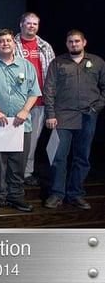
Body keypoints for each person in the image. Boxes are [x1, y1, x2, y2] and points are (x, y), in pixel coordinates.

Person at [0, 28, 41, 213]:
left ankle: (16, 197)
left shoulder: (26, 66)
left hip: (21, 124)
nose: (5, 43)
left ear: (14, 44)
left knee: (18, 163)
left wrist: (24, 111)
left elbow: (34, 92)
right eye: (1, 41)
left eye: (8, 40)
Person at [43, 30, 105, 210]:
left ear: (84, 42)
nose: (74, 44)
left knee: (82, 158)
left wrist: (96, 107)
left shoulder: (98, 62)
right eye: (70, 42)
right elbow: (49, 90)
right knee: (57, 157)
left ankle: (76, 194)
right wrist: (50, 114)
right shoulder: (57, 63)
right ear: (66, 43)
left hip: (87, 117)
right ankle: (56, 194)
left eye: (77, 41)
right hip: (62, 117)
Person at [13, 12, 55, 186]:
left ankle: (27, 172)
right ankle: (11, 173)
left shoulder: (45, 46)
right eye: (28, 23)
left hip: (39, 102)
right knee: (13, 140)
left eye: (35, 24)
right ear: (21, 24)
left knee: (32, 142)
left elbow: (52, 75)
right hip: (17, 101)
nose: (31, 26)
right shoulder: (12, 44)